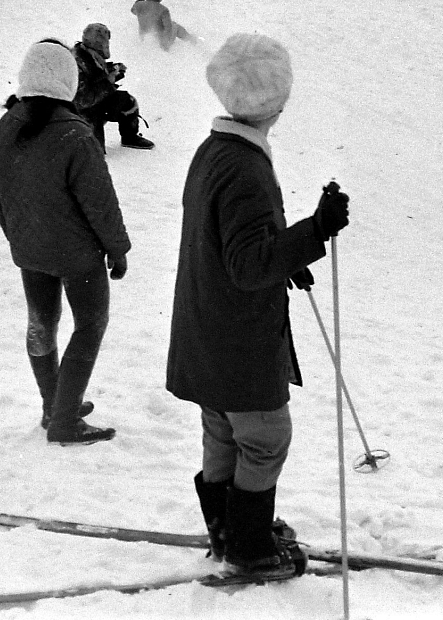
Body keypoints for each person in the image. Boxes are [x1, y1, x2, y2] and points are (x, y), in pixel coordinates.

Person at [166, 33, 350, 581]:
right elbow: (249, 263)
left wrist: (286, 251)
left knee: (224, 429)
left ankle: (228, 529)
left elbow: (231, 241)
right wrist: (312, 232)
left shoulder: (216, 150)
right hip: (238, 335)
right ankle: (247, 546)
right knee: (265, 438)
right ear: (277, 101)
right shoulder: (245, 166)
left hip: (209, 324)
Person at [0, 38, 131, 445]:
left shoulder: (7, 127)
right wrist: (117, 249)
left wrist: (18, 238)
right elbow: (100, 205)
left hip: (30, 250)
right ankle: (66, 419)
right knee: (90, 324)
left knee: (41, 324)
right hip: (78, 256)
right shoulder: (75, 135)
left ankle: (54, 405)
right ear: (68, 83)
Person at [73, 23, 154, 150]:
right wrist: (108, 83)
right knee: (92, 150)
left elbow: (96, 74)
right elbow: (84, 99)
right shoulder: (79, 63)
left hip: (95, 101)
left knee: (128, 101)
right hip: (81, 111)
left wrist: (113, 71)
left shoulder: (88, 54)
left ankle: (129, 136)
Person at [131, 0, 196, 50]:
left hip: (144, 38)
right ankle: (192, 40)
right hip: (160, 42)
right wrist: (165, 46)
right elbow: (168, 28)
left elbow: (133, 11)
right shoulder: (163, 10)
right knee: (175, 26)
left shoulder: (138, 5)